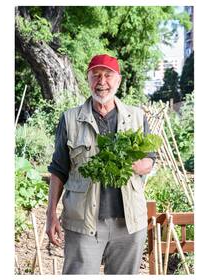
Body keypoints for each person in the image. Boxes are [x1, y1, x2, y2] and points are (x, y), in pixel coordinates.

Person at [46, 54, 155, 274]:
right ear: (88, 80)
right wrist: (51, 215)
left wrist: (138, 165)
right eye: (95, 75)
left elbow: (149, 159)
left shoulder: (136, 117)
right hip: (83, 223)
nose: (101, 81)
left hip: (129, 224)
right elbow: (58, 169)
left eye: (108, 75)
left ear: (118, 80)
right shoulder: (70, 119)